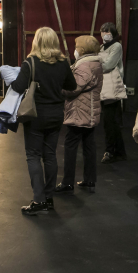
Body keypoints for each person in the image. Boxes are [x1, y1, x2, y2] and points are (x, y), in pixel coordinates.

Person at [10, 27, 77, 216]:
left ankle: (38, 200)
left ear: (36, 42)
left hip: (35, 115)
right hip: (56, 114)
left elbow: (18, 87)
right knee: (50, 156)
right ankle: (48, 199)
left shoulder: (30, 62)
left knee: (33, 156)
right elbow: (71, 86)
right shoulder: (64, 63)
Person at [57, 35, 105, 195]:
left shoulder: (84, 66)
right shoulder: (95, 63)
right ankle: (90, 179)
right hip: (90, 111)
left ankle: (67, 182)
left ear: (82, 49)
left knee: (70, 146)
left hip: (80, 111)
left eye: (76, 46)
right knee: (89, 145)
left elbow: (73, 88)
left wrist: (59, 89)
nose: (74, 49)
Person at [98, 22, 128, 163]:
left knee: (110, 122)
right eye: (103, 31)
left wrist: (96, 65)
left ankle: (110, 150)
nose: (104, 34)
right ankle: (119, 151)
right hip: (104, 88)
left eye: (107, 31)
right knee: (111, 122)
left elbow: (108, 65)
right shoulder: (102, 47)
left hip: (112, 88)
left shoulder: (116, 46)